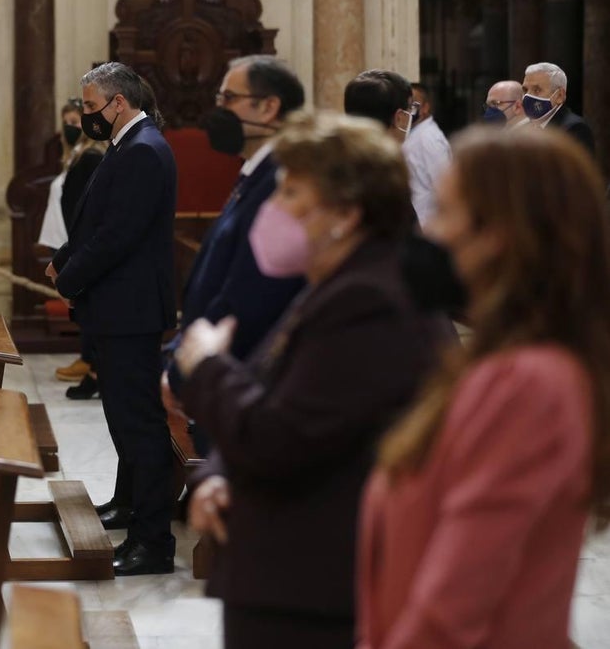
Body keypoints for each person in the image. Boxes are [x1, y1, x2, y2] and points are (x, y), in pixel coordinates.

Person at [176, 111, 444, 648]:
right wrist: (215, 478)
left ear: (345, 212)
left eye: (292, 192)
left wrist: (206, 365)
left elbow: (276, 435)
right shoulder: (337, 281)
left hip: (316, 587)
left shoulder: (370, 299)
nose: (273, 209)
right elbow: (286, 400)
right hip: (288, 569)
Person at [358, 127, 610, 649]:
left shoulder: (531, 383)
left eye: (445, 212)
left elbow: (454, 604)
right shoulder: (498, 362)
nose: (429, 233)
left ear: (502, 233)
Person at [45, 61, 177, 576]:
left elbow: (118, 235)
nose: (82, 115)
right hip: (118, 306)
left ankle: (152, 541)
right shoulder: (128, 145)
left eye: (88, 106)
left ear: (117, 103)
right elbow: (96, 218)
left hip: (131, 308)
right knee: (123, 417)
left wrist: (70, 277)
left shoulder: (144, 150)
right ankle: (128, 505)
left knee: (138, 421)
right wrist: (64, 255)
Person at [162, 55, 307, 451]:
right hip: (217, 370)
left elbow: (250, 292)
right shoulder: (255, 173)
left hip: (241, 375)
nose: (219, 110)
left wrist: (185, 366)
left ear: (269, 106)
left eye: (229, 98)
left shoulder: (283, 180)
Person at [38, 98, 106, 399]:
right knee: (85, 306)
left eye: (76, 122)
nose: (70, 128)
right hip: (72, 241)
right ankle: (93, 366)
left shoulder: (91, 156)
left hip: (80, 242)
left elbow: (86, 208)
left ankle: (95, 368)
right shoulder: (77, 155)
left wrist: (72, 250)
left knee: (90, 305)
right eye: (66, 122)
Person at [520, 61, 597, 167]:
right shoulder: (523, 129)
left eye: (537, 90)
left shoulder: (574, 129)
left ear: (559, 96)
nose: (528, 96)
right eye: (525, 90)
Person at [401, 82, 451, 229]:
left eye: (414, 104)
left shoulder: (430, 138)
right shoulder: (413, 134)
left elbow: (443, 184)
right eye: (407, 105)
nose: (409, 109)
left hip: (426, 224)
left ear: (425, 108)